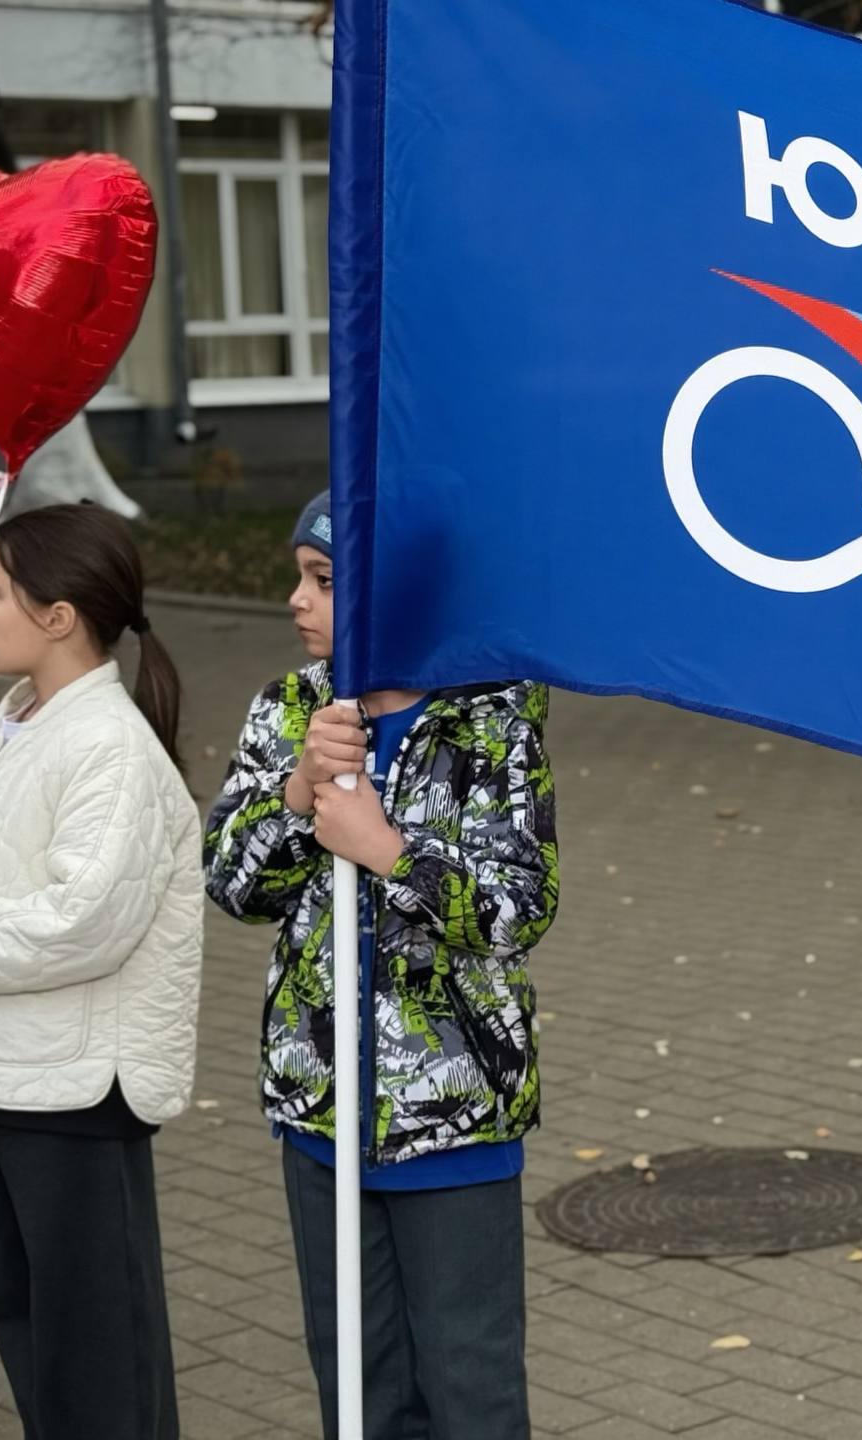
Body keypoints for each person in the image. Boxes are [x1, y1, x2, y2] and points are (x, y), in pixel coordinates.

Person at [205, 492, 557, 1440]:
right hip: (322, 1118)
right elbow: (231, 882)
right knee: (359, 1391)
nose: (295, 600)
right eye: (299, 578)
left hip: (456, 1128)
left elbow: (519, 906)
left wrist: (389, 851)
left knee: (470, 1387)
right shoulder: (289, 708)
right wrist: (295, 791)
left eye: (322, 581)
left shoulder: (490, 720)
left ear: (394, 595)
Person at [0, 502, 202, 1440]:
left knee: (95, 1351)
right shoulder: (19, 720)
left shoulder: (106, 744)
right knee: (36, 1331)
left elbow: (79, 921)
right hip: (6, 1074)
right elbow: (7, 875)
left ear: (59, 615)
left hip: (71, 1091)